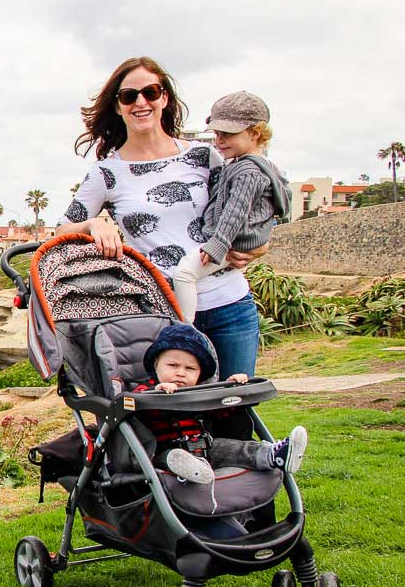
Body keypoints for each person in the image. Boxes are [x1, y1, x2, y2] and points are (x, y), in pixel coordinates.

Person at [56, 56, 264, 379]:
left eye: (150, 92)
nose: (141, 102)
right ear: (118, 107)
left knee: (236, 413)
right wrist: (93, 224)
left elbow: (246, 206)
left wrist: (259, 246)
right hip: (164, 317)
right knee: (179, 424)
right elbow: (60, 232)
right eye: (129, 96)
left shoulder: (204, 156)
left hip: (230, 307)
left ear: (164, 98)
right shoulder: (107, 173)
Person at [130, 324, 306, 485]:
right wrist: (157, 393)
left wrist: (231, 389)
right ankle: (195, 469)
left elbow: (220, 414)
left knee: (237, 448)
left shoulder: (200, 393)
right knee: (172, 457)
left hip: (206, 446)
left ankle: (275, 455)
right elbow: (134, 407)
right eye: (173, 365)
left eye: (190, 369)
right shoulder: (146, 389)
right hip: (165, 451)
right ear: (156, 364)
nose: (180, 373)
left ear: (199, 373)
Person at [172, 91, 290, 319]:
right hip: (234, 240)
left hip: (232, 241)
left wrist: (218, 244)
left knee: (185, 274)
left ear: (255, 133)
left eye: (227, 134)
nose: (219, 140)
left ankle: (185, 329)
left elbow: (235, 212)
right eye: (217, 133)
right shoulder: (249, 165)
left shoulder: (248, 172)